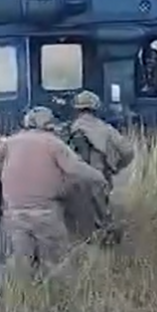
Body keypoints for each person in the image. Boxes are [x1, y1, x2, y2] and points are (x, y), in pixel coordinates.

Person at [0, 107, 107, 278]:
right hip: (46, 214)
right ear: (49, 125)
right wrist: (100, 180)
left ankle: (18, 299)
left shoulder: (8, 143)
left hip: (13, 216)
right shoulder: (53, 143)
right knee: (55, 267)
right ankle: (53, 300)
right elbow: (76, 169)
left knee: (16, 268)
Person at [62, 90, 137, 244]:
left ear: (76, 109)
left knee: (76, 226)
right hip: (102, 180)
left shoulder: (69, 130)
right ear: (96, 108)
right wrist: (116, 166)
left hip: (75, 183)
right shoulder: (106, 129)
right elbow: (128, 151)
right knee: (102, 220)